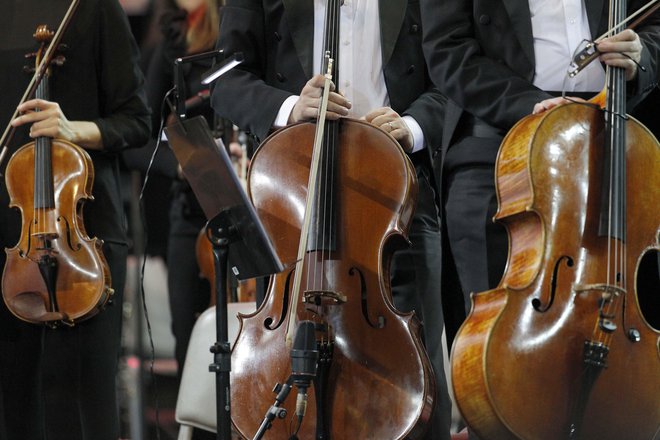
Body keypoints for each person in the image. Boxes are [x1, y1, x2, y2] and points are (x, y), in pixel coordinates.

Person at [211, 1, 452, 439]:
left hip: (396, 191)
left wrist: (413, 125)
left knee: (418, 368)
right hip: (297, 194)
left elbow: (451, 72)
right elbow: (223, 78)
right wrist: (288, 108)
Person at [419, 0, 660, 436]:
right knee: (501, 353)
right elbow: (446, 49)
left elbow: (654, 26)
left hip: (613, 126)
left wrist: (643, 57)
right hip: (500, 133)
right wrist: (529, 104)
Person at [0, 1, 150, 439]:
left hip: (81, 236)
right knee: (14, 405)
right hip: (11, 240)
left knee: (83, 406)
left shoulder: (92, 8)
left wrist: (72, 129)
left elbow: (137, 120)